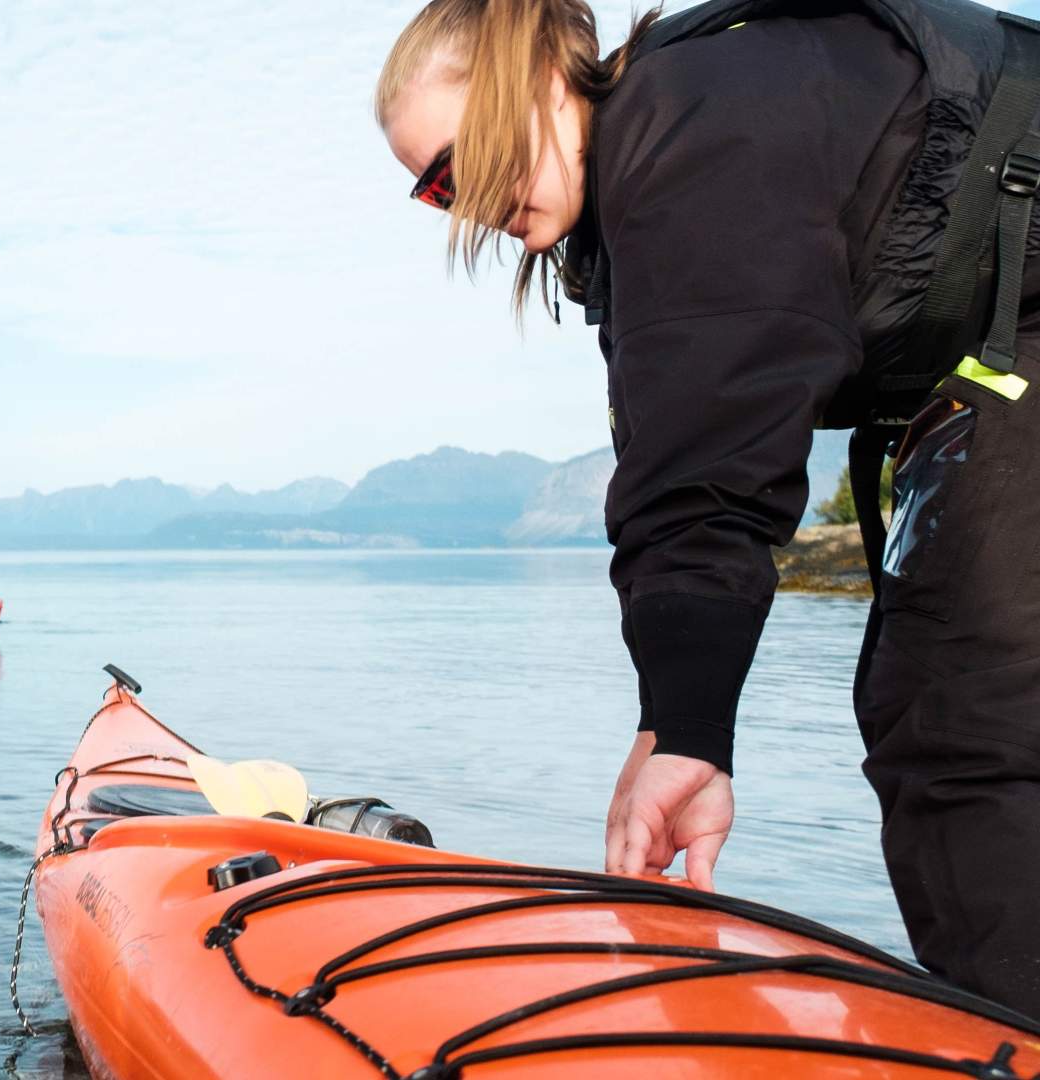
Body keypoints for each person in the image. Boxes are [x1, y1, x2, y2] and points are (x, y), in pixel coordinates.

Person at [377, 0, 1040, 1013]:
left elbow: (713, 466)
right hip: (1001, 362)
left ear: (534, 79)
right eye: (431, 191)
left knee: (964, 722)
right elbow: (666, 466)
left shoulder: (692, 128)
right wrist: (669, 721)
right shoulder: (642, 194)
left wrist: (691, 734)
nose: (461, 203)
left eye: (458, 160)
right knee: (938, 705)